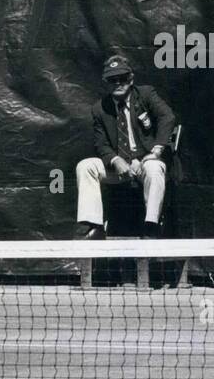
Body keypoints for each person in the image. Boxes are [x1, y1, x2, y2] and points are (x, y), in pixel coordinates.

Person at [75, 54, 177, 240]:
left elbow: (167, 117)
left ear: (131, 78)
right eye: (113, 80)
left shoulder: (145, 94)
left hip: (145, 162)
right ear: (107, 82)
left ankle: (151, 227)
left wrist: (156, 150)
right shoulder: (100, 108)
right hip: (119, 168)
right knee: (85, 166)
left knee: (154, 168)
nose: (118, 83)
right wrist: (115, 160)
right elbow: (101, 144)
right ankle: (94, 226)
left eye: (122, 78)